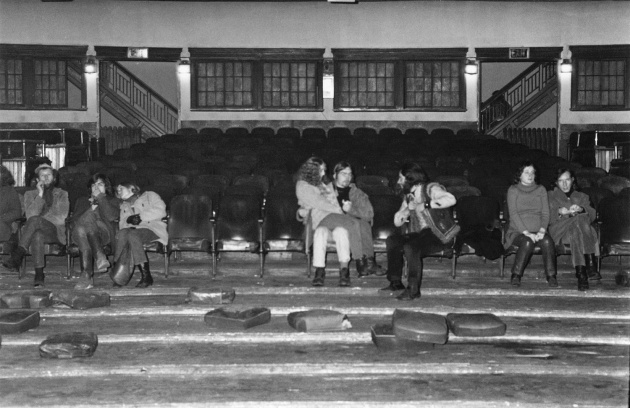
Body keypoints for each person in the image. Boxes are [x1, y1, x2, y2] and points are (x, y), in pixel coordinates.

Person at [383, 162, 457, 301]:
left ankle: (413, 290)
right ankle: (395, 282)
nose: (399, 181)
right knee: (393, 241)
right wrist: (405, 210)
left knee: (411, 247)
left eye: (401, 178)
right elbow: (397, 222)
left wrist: (426, 204)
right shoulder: (409, 196)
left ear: (410, 178)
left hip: (439, 235)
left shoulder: (431, 188)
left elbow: (451, 199)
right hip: (421, 234)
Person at [296, 157, 373, 287]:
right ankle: (357, 261)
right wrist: (340, 211)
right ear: (311, 171)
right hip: (321, 219)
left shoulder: (322, 185)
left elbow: (329, 200)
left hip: (333, 220)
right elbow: (319, 203)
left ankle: (344, 271)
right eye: (320, 170)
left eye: (323, 170)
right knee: (349, 224)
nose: (322, 173)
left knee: (343, 230)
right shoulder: (303, 185)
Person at [1, 164, 69, 287]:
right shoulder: (30, 194)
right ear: (37, 180)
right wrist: (40, 195)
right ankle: (39, 274)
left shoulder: (62, 194)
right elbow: (30, 215)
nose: (46, 178)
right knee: (37, 234)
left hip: (54, 231)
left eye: (49, 175)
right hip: (36, 230)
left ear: (54, 178)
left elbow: (61, 217)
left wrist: (40, 220)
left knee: (36, 221)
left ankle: (19, 253)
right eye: (42, 176)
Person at [505, 161, 557, 287]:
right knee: (527, 242)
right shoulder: (513, 190)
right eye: (526, 172)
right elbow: (514, 214)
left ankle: (551, 276)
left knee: (547, 241)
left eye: (532, 172)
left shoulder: (541, 189)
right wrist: (526, 232)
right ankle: (516, 274)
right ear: (520, 175)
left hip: (538, 231)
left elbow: (545, 213)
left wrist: (542, 230)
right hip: (518, 231)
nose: (530, 175)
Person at [548, 168, 601, 291]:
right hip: (560, 232)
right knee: (579, 220)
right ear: (556, 182)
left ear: (572, 180)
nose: (565, 184)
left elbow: (592, 215)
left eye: (567, 180)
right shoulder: (550, 196)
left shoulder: (582, 196)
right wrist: (559, 212)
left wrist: (581, 209)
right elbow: (546, 218)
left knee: (576, 227)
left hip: (577, 231)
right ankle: (590, 263)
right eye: (561, 181)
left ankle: (581, 274)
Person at [68, 174, 120, 290]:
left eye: (100, 184)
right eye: (93, 185)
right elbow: (75, 222)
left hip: (103, 234)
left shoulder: (113, 200)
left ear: (106, 187)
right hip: (79, 233)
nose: (96, 188)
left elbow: (111, 217)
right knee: (84, 224)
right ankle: (100, 256)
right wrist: (91, 208)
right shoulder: (82, 201)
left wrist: (101, 198)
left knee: (83, 228)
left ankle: (86, 276)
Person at [111, 182, 167, 288]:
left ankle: (146, 276)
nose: (118, 190)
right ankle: (119, 273)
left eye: (120, 188)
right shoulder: (124, 205)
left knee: (132, 234)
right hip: (133, 232)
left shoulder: (150, 195)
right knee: (122, 233)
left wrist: (141, 217)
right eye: (116, 190)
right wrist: (128, 220)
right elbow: (122, 225)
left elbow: (161, 211)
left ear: (131, 188)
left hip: (152, 229)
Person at [0, 165, 22, 242]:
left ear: (3, 176)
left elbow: (17, 212)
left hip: (3, 225)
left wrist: (1, 218)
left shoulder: (10, 191)